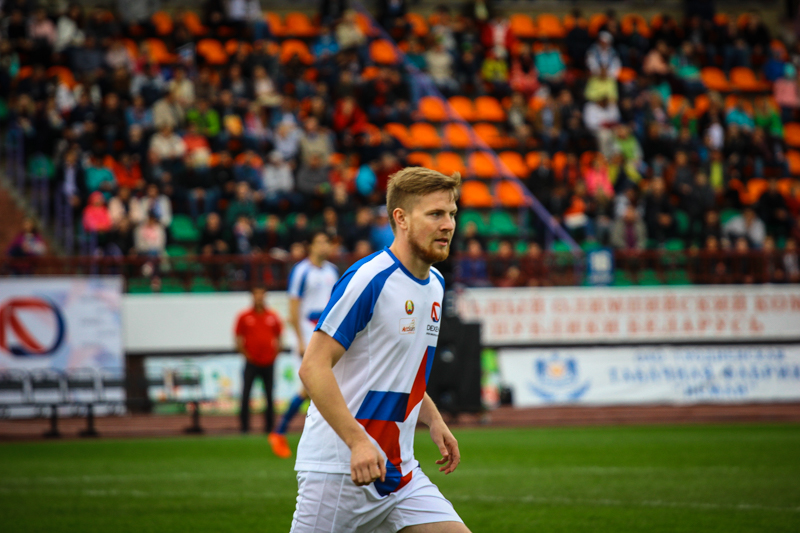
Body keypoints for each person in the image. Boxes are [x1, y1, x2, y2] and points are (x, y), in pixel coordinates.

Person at [291, 167, 467, 532]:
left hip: (399, 471)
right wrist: (358, 442)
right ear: (401, 218)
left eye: (451, 213)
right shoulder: (369, 279)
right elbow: (313, 367)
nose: (448, 225)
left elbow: (402, 370)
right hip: (340, 470)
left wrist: (433, 419)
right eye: (435, 214)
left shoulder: (436, 284)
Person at [270, 232, 339, 459]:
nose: (324, 245)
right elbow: (293, 306)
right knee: (311, 387)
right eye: (320, 241)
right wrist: (299, 339)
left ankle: (286, 432)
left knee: (317, 388)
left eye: (327, 241)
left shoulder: (332, 271)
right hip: (307, 334)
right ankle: (280, 431)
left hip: (324, 335)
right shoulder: (301, 271)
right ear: (310, 246)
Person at [234, 286, 284, 434]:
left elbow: (279, 336)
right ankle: (244, 428)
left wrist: (275, 354)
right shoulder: (244, 316)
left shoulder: (272, 316)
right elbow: (238, 337)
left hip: (269, 362)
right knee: (246, 394)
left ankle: (269, 427)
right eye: (256, 294)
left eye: (261, 294)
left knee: (269, 395)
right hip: (251, 362)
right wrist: (246, 354)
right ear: (252, 296)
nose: (259, 297)